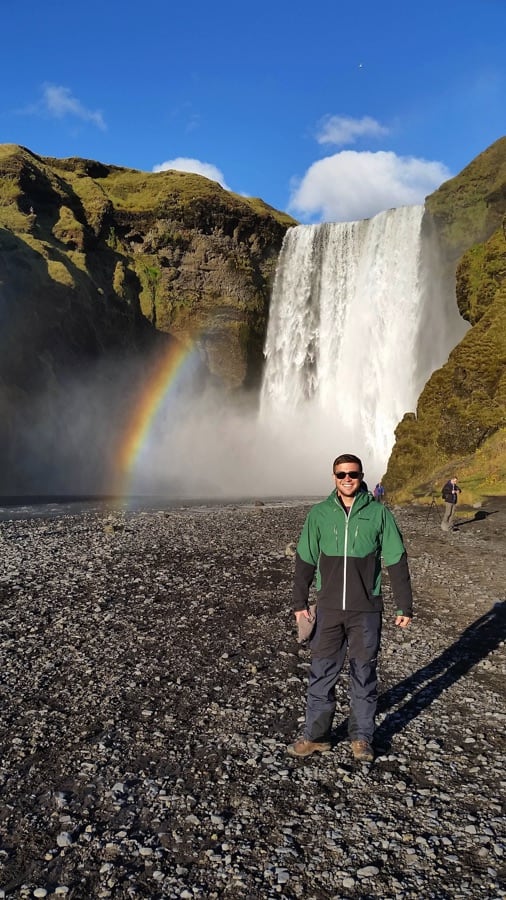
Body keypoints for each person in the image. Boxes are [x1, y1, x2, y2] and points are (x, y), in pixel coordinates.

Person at [287, 453, 413, 763]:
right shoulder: (319, 514)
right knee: (321, 674)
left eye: (352, 474)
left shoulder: (379, 514)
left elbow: (396, 559)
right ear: (333, 477)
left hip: (365, 611)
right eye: (341, 474)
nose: (347, 479)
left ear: (361, 476)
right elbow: (304, 559)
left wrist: (404, 605)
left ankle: (361, 738)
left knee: (364, 675)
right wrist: (299, 602)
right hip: (328, 609)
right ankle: (316, 737)